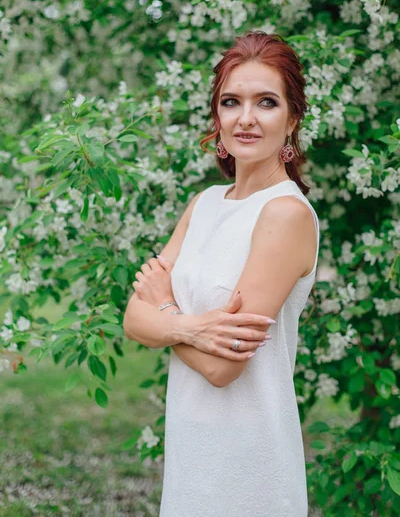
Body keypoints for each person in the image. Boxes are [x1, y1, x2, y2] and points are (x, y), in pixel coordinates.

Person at [123, 31, 320, 517]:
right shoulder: (205, 203)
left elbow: (222, 367)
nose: (246, 118)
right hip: (193, 452)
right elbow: (132, 318)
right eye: (231, 102)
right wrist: (190, 326)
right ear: (217, 115)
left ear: (292, 117)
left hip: (248, 463)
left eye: (266, 102)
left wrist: (165, 312)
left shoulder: (285, 215)